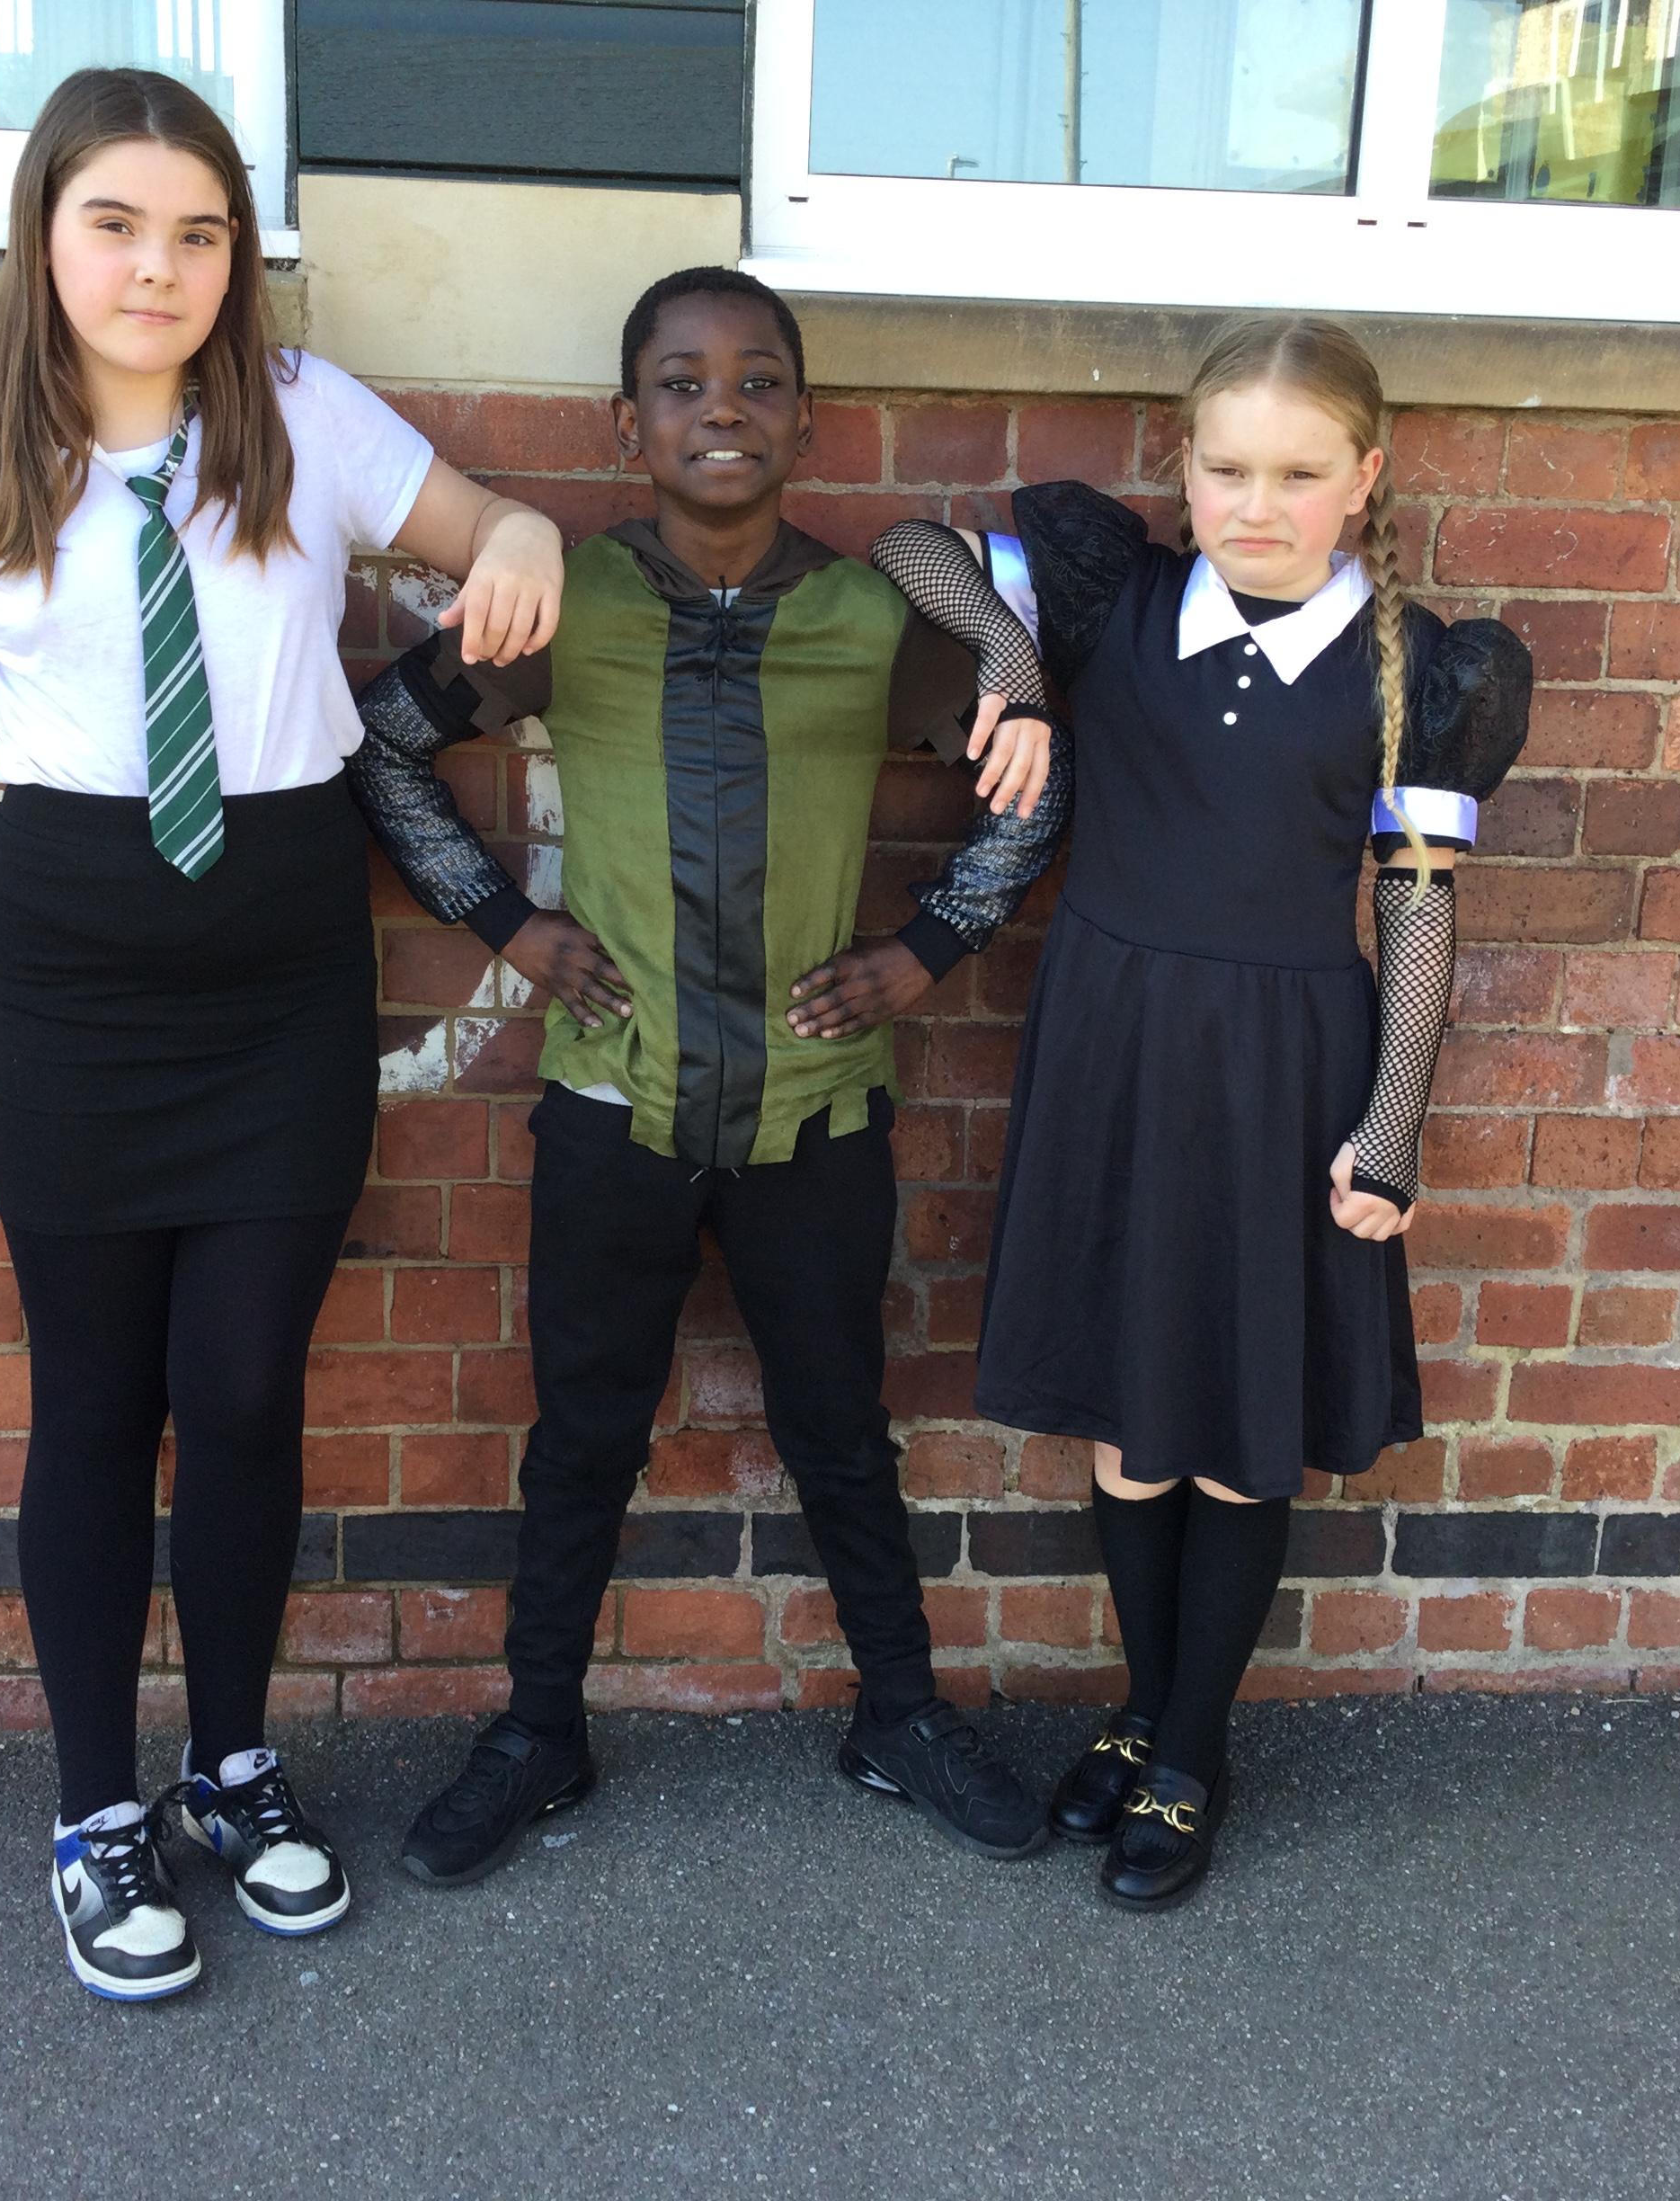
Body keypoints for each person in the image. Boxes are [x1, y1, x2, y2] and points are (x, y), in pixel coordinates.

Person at [0, 67, 564, 2001]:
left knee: (247, 1387)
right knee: (98, 1398)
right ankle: (97, 1814)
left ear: (236, 258)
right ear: (43, 236)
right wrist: (119, 789)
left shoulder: (305, 419)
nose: (156, 268)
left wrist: (524, 535)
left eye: (197, 233)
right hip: (85, 963)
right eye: (115, 224)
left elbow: (488, 524)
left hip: (280, 962)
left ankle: (235, 1766)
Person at [350, 266, 1063, 1888]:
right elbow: (382, 748)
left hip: (819, 1111)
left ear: (807, 423)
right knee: (583, 1436)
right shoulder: (567, 602)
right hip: (617, 1103)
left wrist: (927, 949)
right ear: (630, 424)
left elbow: (1033, 782)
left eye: (757, 384)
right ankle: (539, 1729)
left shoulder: (875, 619)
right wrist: (507, 926)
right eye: (681, 383)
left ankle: (900, 1715)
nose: (720, 409)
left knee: (843, 1430)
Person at [870, 314, 1529, 1910]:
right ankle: (1139, 1712)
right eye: (1227, 469)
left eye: (1300, 475)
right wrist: (1015, 656)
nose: (1258, 505)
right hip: (1113, 1045)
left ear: (1365, 478)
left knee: (1235, 1430)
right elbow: (906, 547)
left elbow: (1418, 907)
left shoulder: (1419, 667)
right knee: (1129, 1418)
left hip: (1282, 1064)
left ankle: (1191, 1751)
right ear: (1184, 467)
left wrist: (1393, 1123)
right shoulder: (1115, 594)